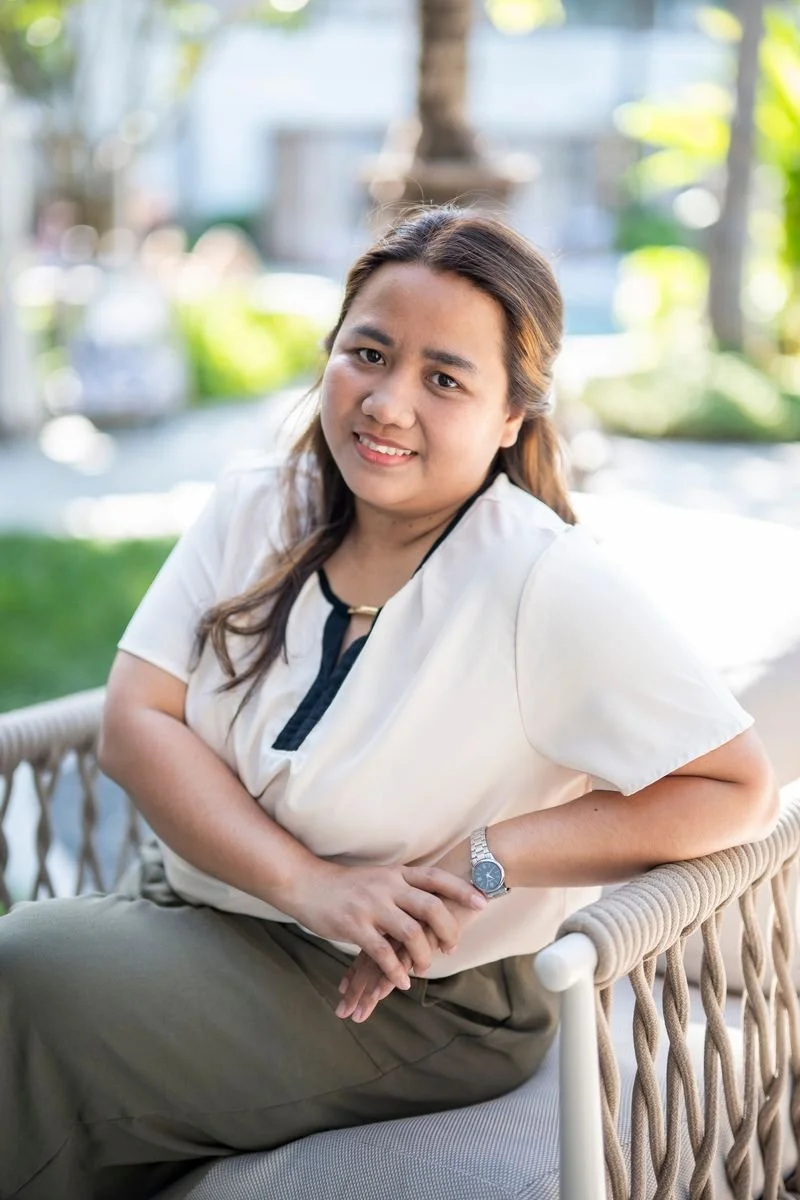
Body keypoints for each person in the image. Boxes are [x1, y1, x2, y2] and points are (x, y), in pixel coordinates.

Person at [0, 206, 779, 1200]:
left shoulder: (543, 581)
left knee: (29, 966)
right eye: (367, 353)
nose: (386, 403)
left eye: (443, 379)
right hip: (201, 908)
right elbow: (136, 720)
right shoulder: (258, 502)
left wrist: (485, 857)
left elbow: (736, 788)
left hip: (413, 998)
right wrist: (307, 883)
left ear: (511, 418)